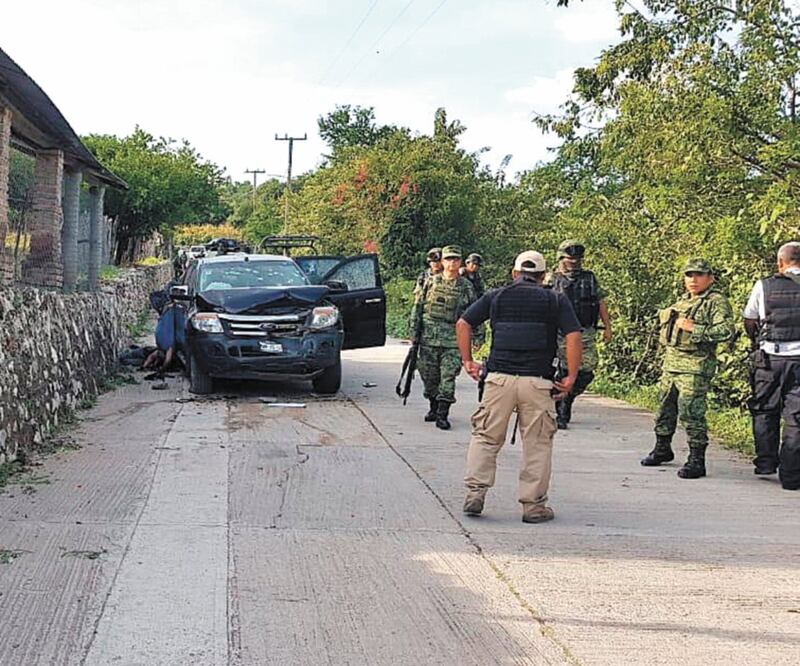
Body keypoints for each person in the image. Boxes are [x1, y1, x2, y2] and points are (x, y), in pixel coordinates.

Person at [456, 250, 582, 523]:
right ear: (542, 277)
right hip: (537, 383)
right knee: (537, 444)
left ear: (514, 273)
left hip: (498, 380)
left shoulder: (496, 296)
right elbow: (573, 335)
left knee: (486, 438)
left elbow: (463, 323)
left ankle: (475, 494)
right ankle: (533, 506)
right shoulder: (554, 299)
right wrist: (571, 376)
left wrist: (468, 361)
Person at [641, 258, 734, 478]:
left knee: (691, 412)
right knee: (664, 409)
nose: (693, 280)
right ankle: (662, 448)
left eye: (699, 275)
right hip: (671, 364)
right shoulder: (682, 301)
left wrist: (695, 328)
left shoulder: (715, 301)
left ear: (710, 278)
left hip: (695, 366)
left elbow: (727, 331)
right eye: (689, 275)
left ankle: (696, 459)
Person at [743, 241, 800, 490]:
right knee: (796, 419)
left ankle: (766, 462)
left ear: (780, 262)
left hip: (769, 360)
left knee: (764, 410)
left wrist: (757, 341)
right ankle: (791, 477)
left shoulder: (764, 286)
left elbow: (750, 319)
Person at [410, 245, 476, 430]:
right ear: (442, 261)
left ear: (460, 262)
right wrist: (414, 332)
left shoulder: (466, 286)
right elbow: (418, 306)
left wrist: (477, 337)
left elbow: (475, 312)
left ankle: (442, 414)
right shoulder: (430, 282)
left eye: (456, 259)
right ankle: (433, 406)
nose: (452, 263)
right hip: (429, 338)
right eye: (448, 259)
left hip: (453, 341)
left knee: (447, 378)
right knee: (429, 378)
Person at [547, 240, 612, 429]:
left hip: (585, 331)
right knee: (564, 369)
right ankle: (561, 409)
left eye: (577, 259)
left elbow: (600, 302)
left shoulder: (589, 278)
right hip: (559, 332)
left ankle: (566, 395)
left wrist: (607, 326)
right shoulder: (551, 279)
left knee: (587, 370)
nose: (574, 263)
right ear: (561, 258)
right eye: (570, 259)